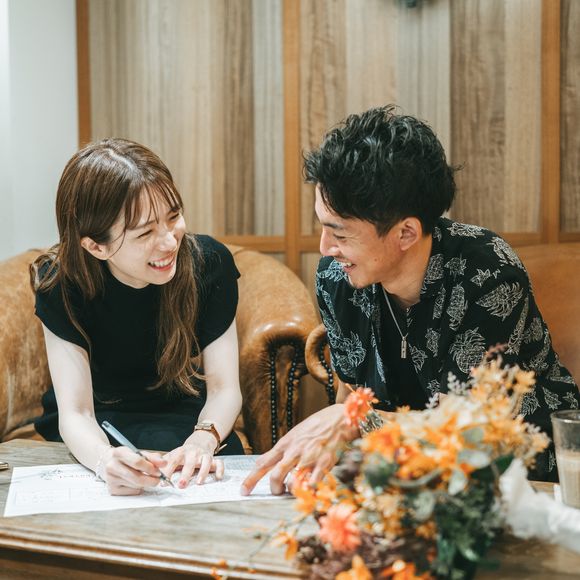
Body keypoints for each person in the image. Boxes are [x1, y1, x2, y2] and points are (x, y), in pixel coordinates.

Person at [242, 105, 580, 495]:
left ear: (406, 233)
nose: (325, 247)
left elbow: (467, 431)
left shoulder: (487, 274)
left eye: (341, 234)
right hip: (402, 478)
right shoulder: (337, 277)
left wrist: (353, 422)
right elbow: (352, 394)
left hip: (522, 478)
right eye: (322, 226)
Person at [31, 138, 244, 495]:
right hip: (96, 425)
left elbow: (225, 389)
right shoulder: (60, 283)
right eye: (145, 232)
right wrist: (104, 461)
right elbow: (77, 412)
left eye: (173, 217)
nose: (170, 242)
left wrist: (203, 439)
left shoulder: (209, 264)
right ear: (95, 246)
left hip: (185, 415)